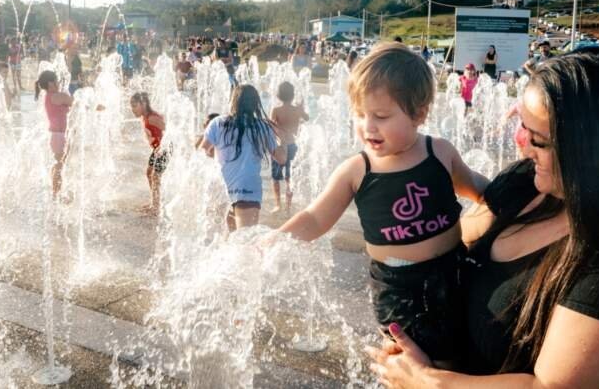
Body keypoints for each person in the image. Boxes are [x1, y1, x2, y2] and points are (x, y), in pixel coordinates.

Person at [367, 46, 599, 388]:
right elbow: (446, 249)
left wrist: (427, 381)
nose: (521, 146)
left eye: (538, 140)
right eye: (523, 127)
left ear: (594, 149)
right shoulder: (525, 184)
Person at [275, 43, 488, 366]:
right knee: (410, 361)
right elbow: (315, 218)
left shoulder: (440, 153)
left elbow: (476, 188)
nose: (368, 126)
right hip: (397, 288)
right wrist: (275, 241)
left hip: (453, 271)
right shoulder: (358, 170)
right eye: (360, 114)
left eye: (381, 116)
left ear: (419, 113)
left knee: (459, 357)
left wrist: (514, 193)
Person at [200, 85, 287, 231]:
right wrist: (282, 138)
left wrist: (219, 156)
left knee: (227, 238)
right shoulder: (262, 127)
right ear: (255, 104)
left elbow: (202, 151)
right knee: (245, 241)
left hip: (221, 187)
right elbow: (281, 159)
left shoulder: (218, 122)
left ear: (233, 101)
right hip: (248, 189)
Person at [270, 81, 309, 214]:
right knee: (289, 177)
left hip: (280, 146)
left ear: (278, 95)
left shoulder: (276, 110)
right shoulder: (296, 110)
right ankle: (288, 206)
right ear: (292, 95)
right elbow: (307, 118)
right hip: (293, 145)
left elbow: (271, 127)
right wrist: (301, 108)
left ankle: (277, 205)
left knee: (276, 178)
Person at [35, 70, 72, 197]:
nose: (59, 83)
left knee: (58, 165)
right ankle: (56, 195)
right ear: (51, 83)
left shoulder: (49, 96)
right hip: (59, 136)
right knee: (60, 166)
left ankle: (56, 192)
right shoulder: (57, 96)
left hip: (56, 136)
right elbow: (74, 101)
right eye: (57, 80)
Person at [130, 92, 167, 214]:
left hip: (164, 149)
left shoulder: (152, 118)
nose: (132, 109)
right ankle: (154, 201)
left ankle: (156, 207)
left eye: (135, 106)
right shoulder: (145, 117)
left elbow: (169, 130)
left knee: (155, 176)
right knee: (149, 172)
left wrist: (163, 147)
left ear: (143, 104)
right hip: (157, 149)